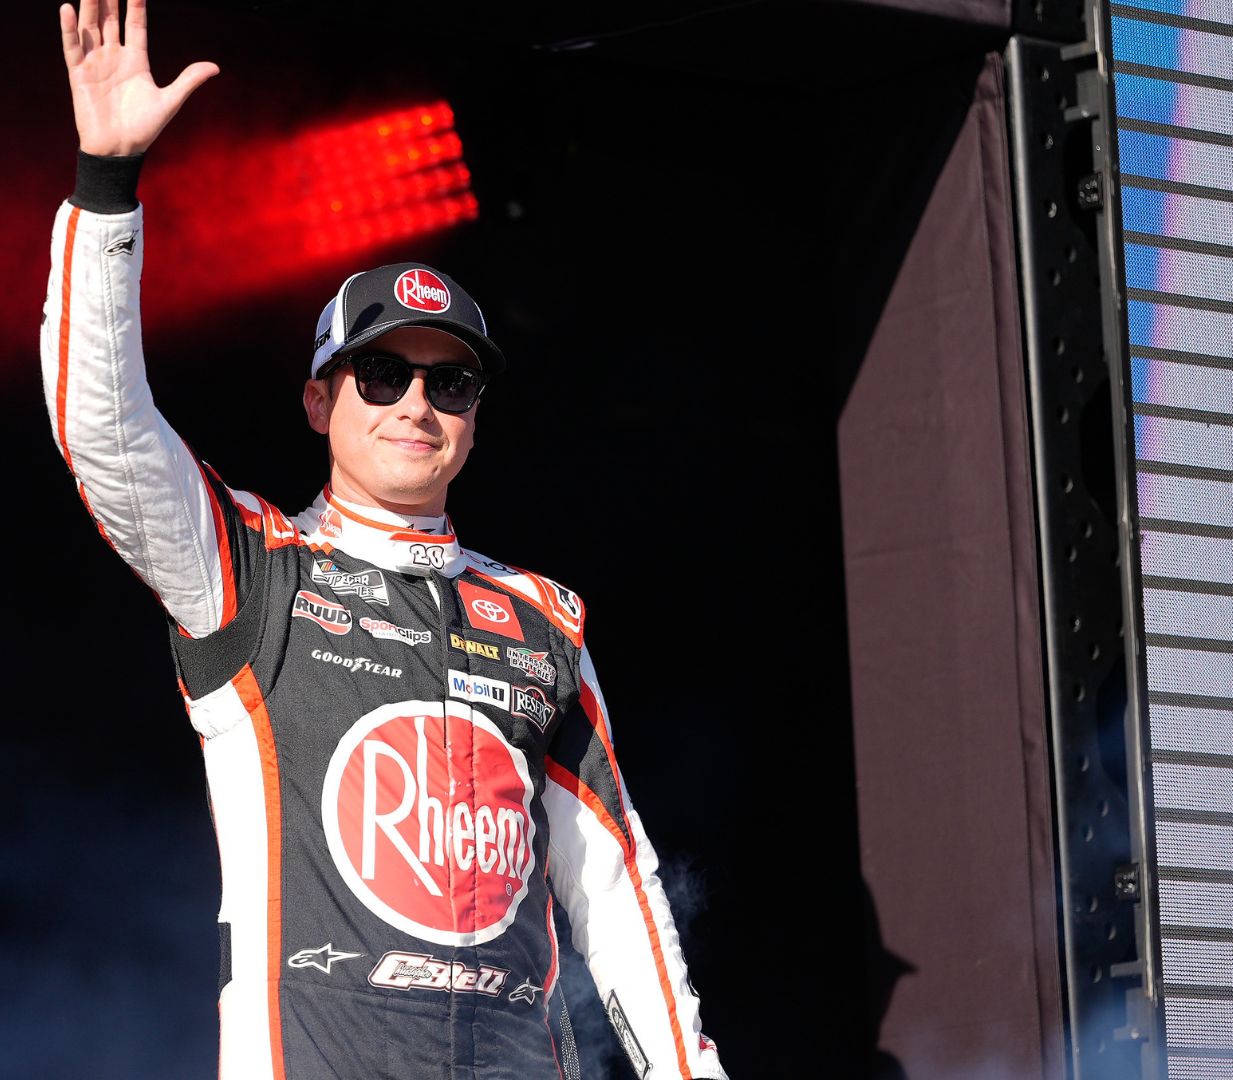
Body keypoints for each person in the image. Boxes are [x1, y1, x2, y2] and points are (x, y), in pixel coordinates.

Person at [42, 2, 727, 1077]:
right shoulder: (251, 571)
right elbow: (104, 428)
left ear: (475, 418)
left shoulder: (543, 622)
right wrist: (106, 185)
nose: (416, 403)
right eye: (382, 372)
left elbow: (615, 889)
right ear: (320, 401)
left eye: (449, 383)